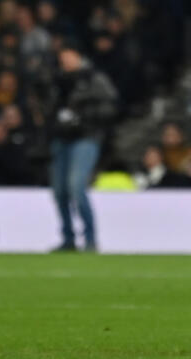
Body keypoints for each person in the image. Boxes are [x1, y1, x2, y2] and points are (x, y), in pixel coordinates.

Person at [48, 42, 118, 252]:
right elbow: (49, 107)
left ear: (79, 56)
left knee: (76, 187)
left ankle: (90, 238)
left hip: (87, 137)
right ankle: (68, 238)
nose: (66, 62)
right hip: (61, 138)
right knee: (59, 191)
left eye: (70, 56)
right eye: (63, 58)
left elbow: (110, 106)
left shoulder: (94, 78)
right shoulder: (57, 80)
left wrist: (83, 115)